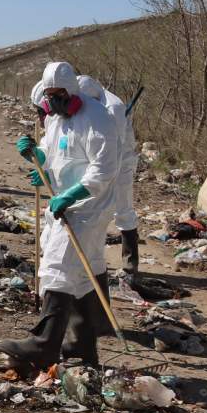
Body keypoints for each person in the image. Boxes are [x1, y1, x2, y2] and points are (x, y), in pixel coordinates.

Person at [0, 61, 119, 371]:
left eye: (58, 95)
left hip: (89, 208)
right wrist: (35, 157)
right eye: (49, 96)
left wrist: (72, 194)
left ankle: (44, 345)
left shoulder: (97, 118)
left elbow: (102, 170)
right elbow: (52, 155)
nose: (53, 102)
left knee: (58, 268)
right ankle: (82, 350)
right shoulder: (54, 119)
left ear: (72, 91)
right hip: (61, 204)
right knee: (81, 275)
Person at [77, 75, 140, 276]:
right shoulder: (90, 102)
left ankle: (130, 262)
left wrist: (104, 173)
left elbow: (114, 145)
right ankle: (88, 260)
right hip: (100, 161)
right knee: (91, 208)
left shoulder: (113, 107)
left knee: (123, 208)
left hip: (121, 163)